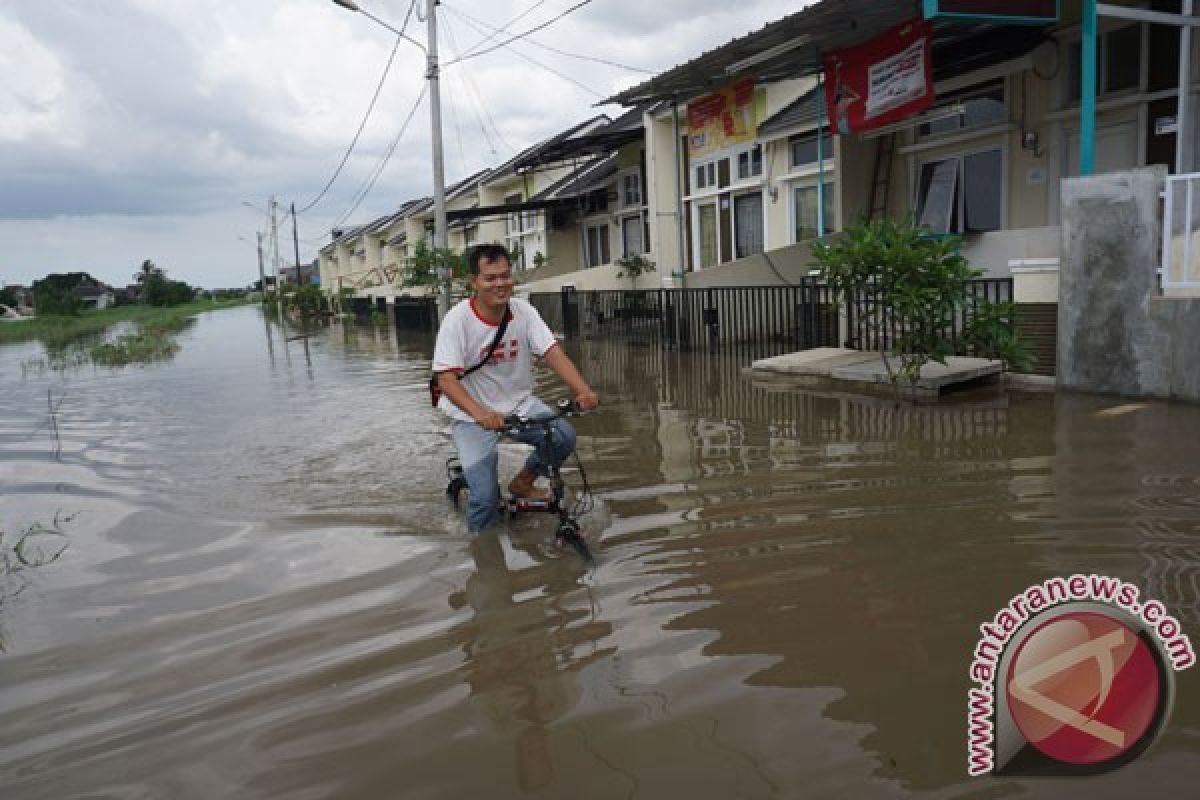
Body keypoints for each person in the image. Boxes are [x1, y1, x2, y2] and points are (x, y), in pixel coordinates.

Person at [433, 243, 599, 532]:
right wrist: (480, 414)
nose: (501, 284)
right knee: (484, 501)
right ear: (474, 282)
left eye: (506, 276)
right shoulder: (457, 321)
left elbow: (552, 352)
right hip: (472, 416)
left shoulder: (523, 312)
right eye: (490, 278)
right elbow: (446, 379)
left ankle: (523, 482)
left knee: (563, 437)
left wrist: (583, 390)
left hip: (520, 405)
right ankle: (485, 561)